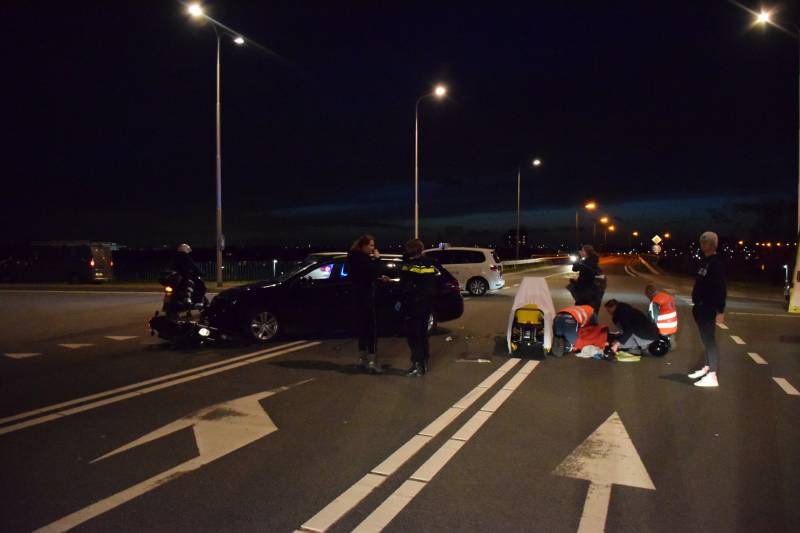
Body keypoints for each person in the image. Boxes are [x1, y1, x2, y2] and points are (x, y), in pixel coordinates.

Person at [689, 231, 726, 387]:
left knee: (710, 341)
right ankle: (707, 368)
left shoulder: (716, 263)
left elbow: (720, 288)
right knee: (705, 340)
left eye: (707, 242)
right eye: (702, 242)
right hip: (700, 307)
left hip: (709, 308)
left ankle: (712, 375)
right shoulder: (706, 261)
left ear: (714, 244)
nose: (704, 245)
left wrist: (720, 311)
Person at [398, 238, 439, 376]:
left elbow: (405, 285)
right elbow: (432, 283)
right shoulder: (430, 263)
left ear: (411, 249)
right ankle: (423, 364)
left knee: (413, 336)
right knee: (422, 334)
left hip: (413, 304)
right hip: (426, 304)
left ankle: (417, 364)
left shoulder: (409, 264)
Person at [347, 235, 386, 374]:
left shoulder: (352, 258)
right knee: (371, 330)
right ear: (363, 246)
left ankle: (362, 360)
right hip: (366, 298)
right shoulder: (363, 259)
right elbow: (372, 273)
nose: (373, 248)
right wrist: (377, 259)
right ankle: (372, 362)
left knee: (362, 329)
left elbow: (364, 276)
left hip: (358, 297)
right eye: (370, 245)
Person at [569, 244, 604, 312]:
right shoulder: (593, 260)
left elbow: (575, 268)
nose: (581, 252)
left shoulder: (587, 262)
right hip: (592, 291)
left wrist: (578, 258)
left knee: (581, 310)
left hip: (586, 291)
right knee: (592, 311)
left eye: (582, 251)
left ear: (586, 252)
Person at [645, 284, 678, 350]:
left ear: (650, 294)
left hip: (663, 329)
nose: (649, 298)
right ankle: (669, 338)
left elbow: (652, 319)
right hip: (673, 327)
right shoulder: (668, 297)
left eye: (648, 296)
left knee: (647, 327)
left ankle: (661, 341)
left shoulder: (655, 301)